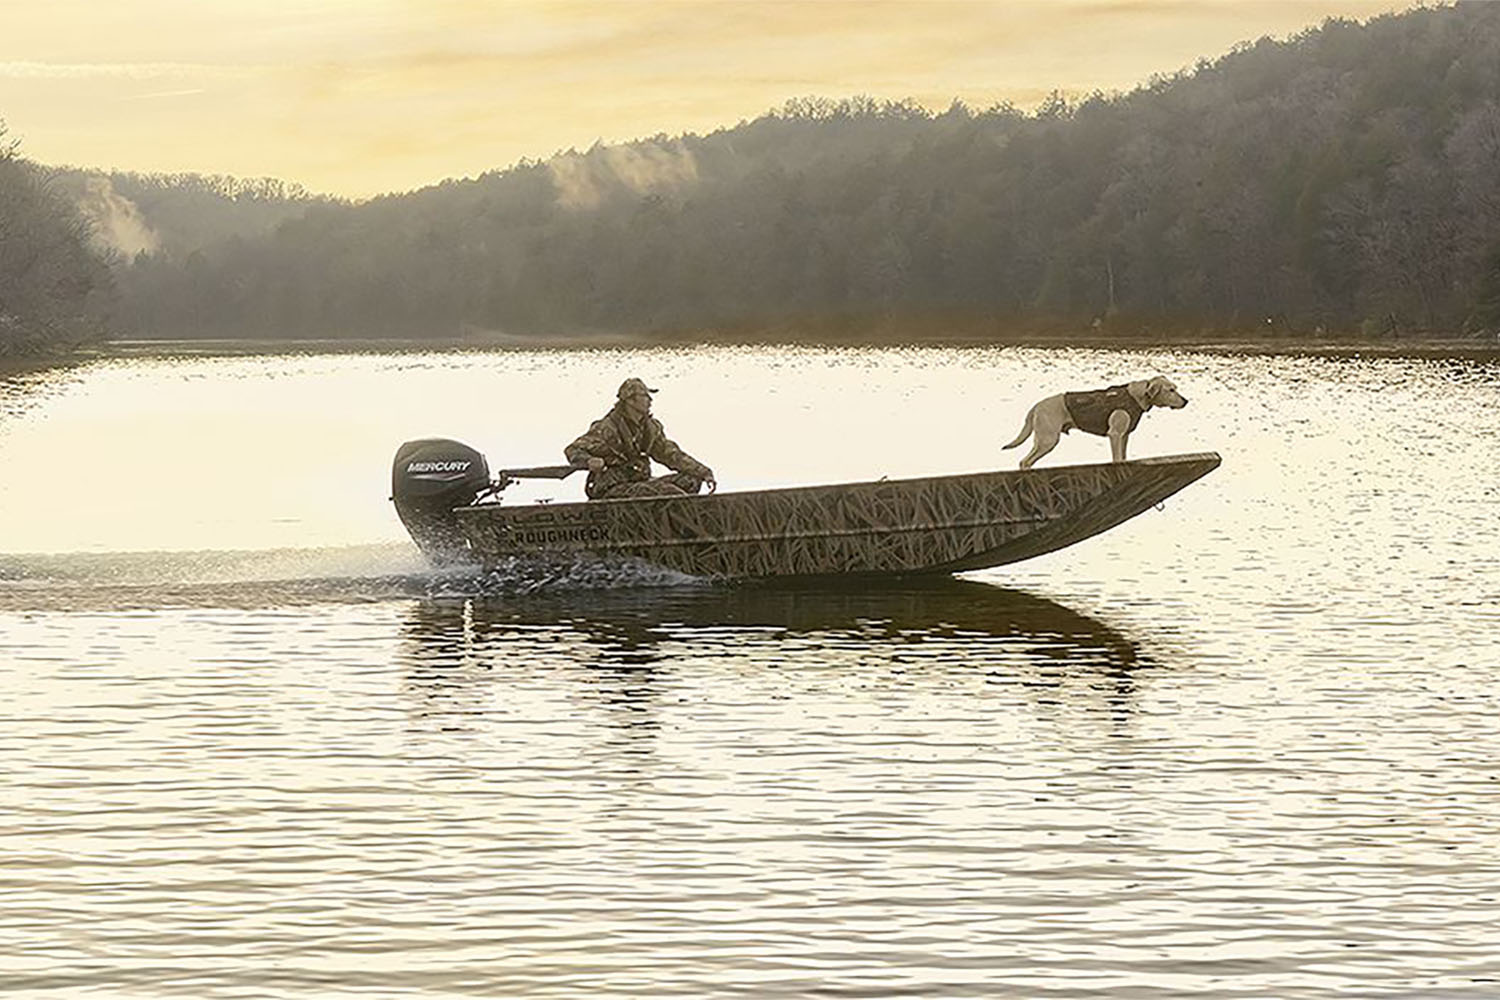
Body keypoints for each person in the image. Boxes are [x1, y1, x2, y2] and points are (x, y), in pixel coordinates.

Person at [565, 377, 716, 500]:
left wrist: (703, 472)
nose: (650, 400)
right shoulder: (607, 428)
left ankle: (673, 526)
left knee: (691, 481)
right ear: (630, 400)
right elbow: (573, 449)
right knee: (666, 491)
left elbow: (671, 454)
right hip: (612, 487)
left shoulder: (650, 428)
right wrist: (588, 461)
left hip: (640, 482)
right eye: (644, 396)